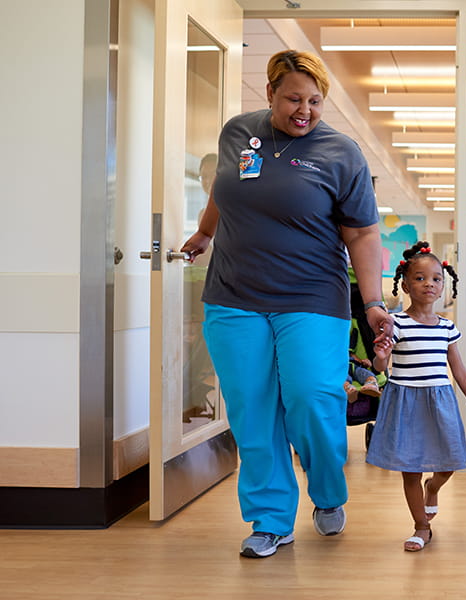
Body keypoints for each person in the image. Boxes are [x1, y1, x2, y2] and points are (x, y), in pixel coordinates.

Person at [179, 49, 392, 559]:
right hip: (233, 296)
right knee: (252, 410)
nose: (305, 110)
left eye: (316, 101)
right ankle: (271, 519)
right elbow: (224, 188)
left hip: (312, 297)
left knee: (313, 398)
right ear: (269, 93)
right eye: (294, 98)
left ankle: (327, 491)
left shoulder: (341, 153)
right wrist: (206, 232)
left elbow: (362, 234)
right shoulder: (238, 132)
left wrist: (374, 303)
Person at [366, 241, 466, 552]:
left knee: (449, 462)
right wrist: (381, 354)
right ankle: (421, 527)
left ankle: (432, 487)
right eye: (420, 278)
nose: (429, 284)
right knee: (410, 468)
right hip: (405, 401)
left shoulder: (447, 328)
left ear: (443, 285)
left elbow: (459, 371)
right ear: (406, 285)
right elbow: (382, 365)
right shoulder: (397, 323)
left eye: (436, 278)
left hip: (440, 401)